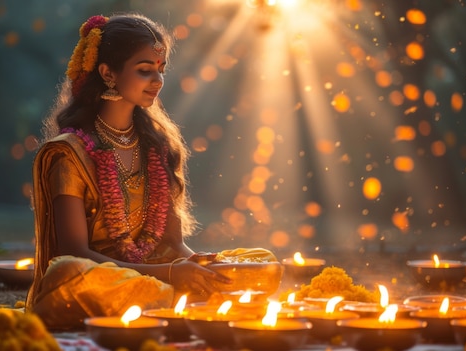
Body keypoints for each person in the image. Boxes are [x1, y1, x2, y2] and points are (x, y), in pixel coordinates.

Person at [26, 13, 277, 330]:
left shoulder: (157, 146)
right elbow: (73, 252)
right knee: (69, 274)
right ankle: (185, 306)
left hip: (157, 275)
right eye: (145, 71)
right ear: (107, 73)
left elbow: (173, 244)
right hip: (103, 279)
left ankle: (177, 303)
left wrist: (196, 264)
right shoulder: (69, 153)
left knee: (260, 261)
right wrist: (173, 275)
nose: (158, 81)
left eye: (160, 70)